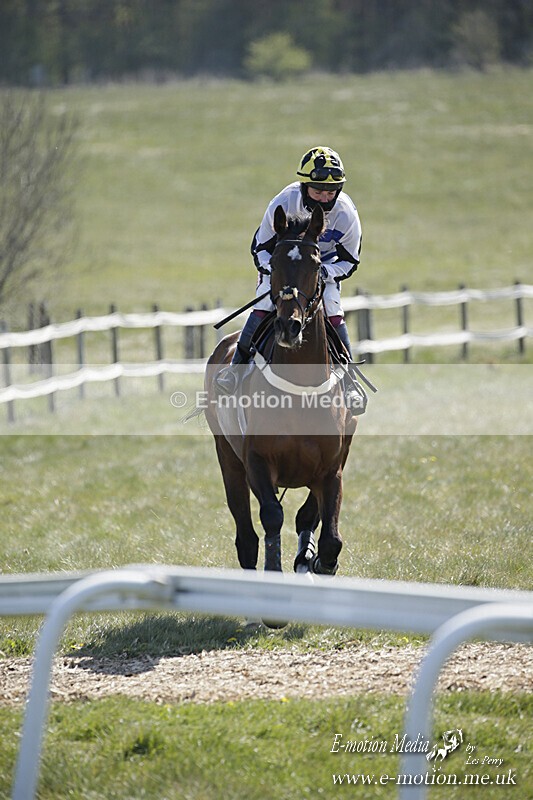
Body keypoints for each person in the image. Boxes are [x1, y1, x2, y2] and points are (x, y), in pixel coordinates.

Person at [217, 145, 365, 409]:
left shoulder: (347, 214)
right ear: (304, 185)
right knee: (264, 304)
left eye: (330, 192)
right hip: (282, 265)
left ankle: (350, 382)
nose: (324, 198)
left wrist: (322, 273)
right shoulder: (283, 201)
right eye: (317, 191)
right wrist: (277, 273)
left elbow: (350, 261)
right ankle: (235, 370)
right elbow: (260, 248)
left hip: (321, 269)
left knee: (333, 308)